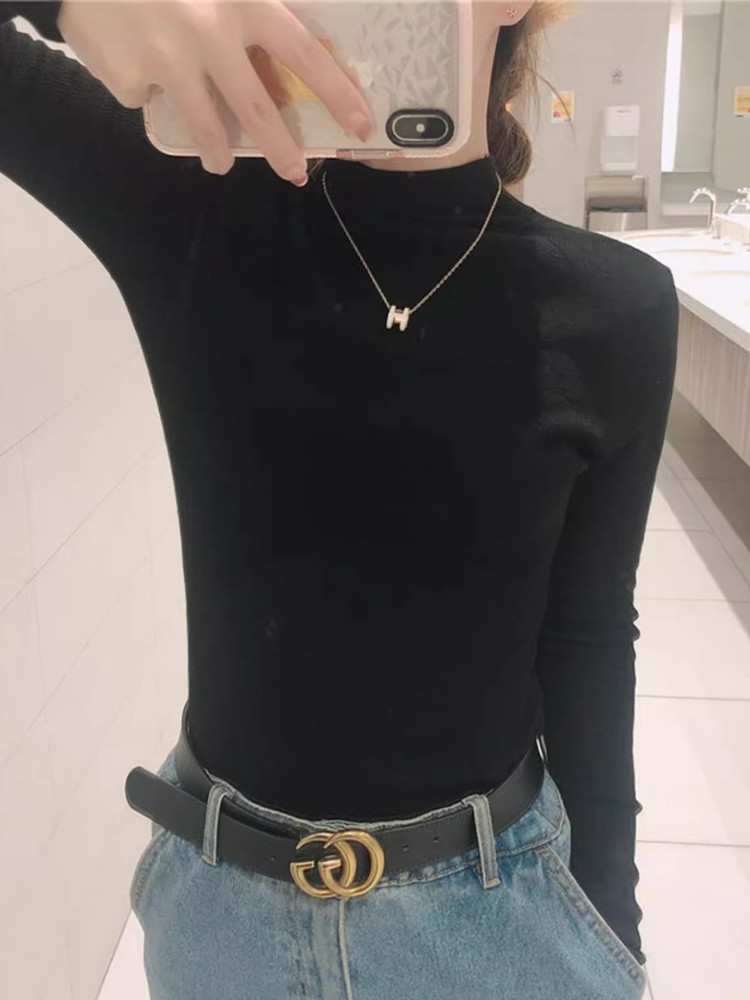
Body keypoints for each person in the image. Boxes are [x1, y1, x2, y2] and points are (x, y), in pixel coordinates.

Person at [0, 2, 678, 998]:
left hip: (498, 919)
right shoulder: (188, 208)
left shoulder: (616, 308)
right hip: (225, 926)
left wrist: (612, 928)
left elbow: (588, 635)